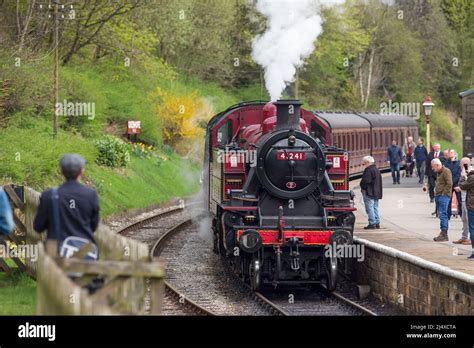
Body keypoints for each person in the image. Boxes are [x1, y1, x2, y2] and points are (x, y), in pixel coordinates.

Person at [34, 154, 100, 257]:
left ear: (61, 171)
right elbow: (93, 226)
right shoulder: (90, 195)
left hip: (57, 255)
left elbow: (38, 227)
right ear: (82, 171)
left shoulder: (49, 195)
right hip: (85, 254)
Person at [432, 158, 452, 242]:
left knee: (443, 214)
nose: (432, 169)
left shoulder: (446, 171)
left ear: (437, 165)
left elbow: (449, 183)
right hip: (439, 195)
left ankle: (444, 233)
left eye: (433, 167)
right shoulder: (439, 173)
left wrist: (443, 194)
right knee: (441, 214)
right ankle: (443, 234)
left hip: (443, 196)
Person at [360, 156, 383, 230]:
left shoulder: (368, 170)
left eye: (364, 163)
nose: (364, 165)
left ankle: (372, 223)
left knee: (369, 208)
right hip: (376, 192)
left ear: (367, 162)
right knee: (375, 207)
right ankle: (377, 222)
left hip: (369, 192)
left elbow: (366, 181)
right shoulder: (377, 170)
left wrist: (362, 186)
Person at [453, 157, 472, 245]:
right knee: (464, 219)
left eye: (461, 164)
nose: (460, 165)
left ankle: (470, 238)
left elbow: (464, 185)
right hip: (463, 198)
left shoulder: (470, 173)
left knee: (469, 219)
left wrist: (463, 176)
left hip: (468, 199)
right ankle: (464, 237)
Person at [459, 161, 474, 259]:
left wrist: (463, 176)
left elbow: (462, 186)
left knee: (472, 228)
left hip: (472, 206)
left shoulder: (471, 178)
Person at [445, 150, 461, 219]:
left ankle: (461, 214)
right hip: (449, 184)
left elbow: (459, 174)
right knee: (448, 200)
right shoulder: (446, 163)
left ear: (455, 154)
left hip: (456, 184)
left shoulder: (458, 163)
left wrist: (454, 182)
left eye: (451, 152)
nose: (450, 154)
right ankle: (448, 214)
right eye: (449, 153)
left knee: (459, 200)